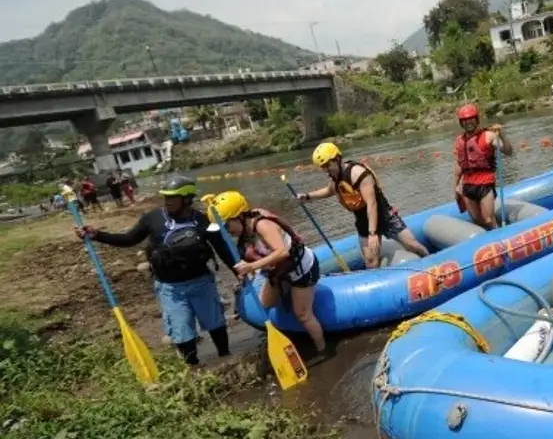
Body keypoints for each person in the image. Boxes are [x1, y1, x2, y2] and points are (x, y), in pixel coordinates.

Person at [73, 175, 236, 366]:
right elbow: (128, 240)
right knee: (182, 332)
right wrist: (97, 235)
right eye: (165, 196)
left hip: (201, 283)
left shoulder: (203, 220)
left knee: (216, 324)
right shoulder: (152, 218)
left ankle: (226, 358)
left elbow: (223, 248)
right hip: (170, 288)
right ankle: (194, 368)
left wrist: (239, 271)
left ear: (186, 199)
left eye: (171, 197)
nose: (166, 201)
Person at [206, 191, 327, 360]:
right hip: (277, 271)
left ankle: (323, 350)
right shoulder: (243, 233)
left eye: (226, 226)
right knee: (265, 303)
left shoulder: (262, 225)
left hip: (300, 268)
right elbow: (255, 256)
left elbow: (282, 252)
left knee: (303, 315)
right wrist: (247, 273)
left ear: (239, 216)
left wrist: (252, 266)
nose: (225, 232)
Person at [297, 142, 429, 269]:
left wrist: (373, 234)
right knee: (371, 262)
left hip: (383, 215)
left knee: (412, 245)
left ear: (337, 158)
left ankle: (431, 261)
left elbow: (372, 203)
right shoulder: (336, 177)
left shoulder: (357, 173)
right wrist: (308, 196)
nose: (325, 170)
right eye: (323, 167)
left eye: (327, 165)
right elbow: (329, 191)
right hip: (363, 221)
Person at [452, 103, 513, 229]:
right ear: (461, 122)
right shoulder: (459, 141)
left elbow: (508, 151)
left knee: (488, 219)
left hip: (485, 182)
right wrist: (456, 187)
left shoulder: (488, 136)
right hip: (467, 184)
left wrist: (502, 135)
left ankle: (499, 238)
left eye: (471, 119)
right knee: (476, 220)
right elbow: (458, 166)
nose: (468, 123)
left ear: (476, 119)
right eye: (465, 120)